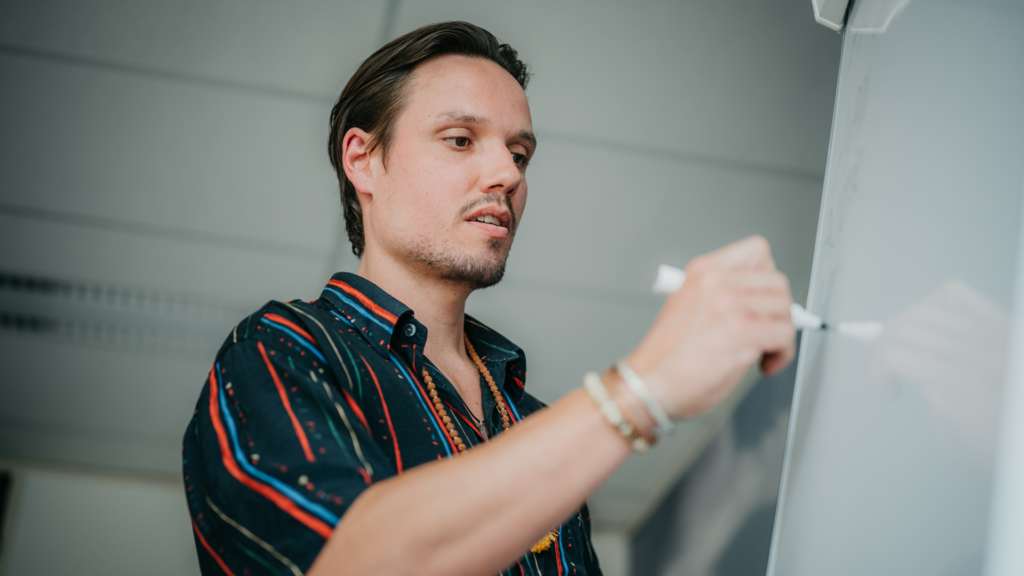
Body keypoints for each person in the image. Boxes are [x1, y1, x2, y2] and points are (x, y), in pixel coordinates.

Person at [182, 21, 796, 576]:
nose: (507, 174)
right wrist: (639, 392)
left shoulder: (534, 421)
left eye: (519, 153)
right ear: (363, 161)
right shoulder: (283, 349)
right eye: (459, 139)